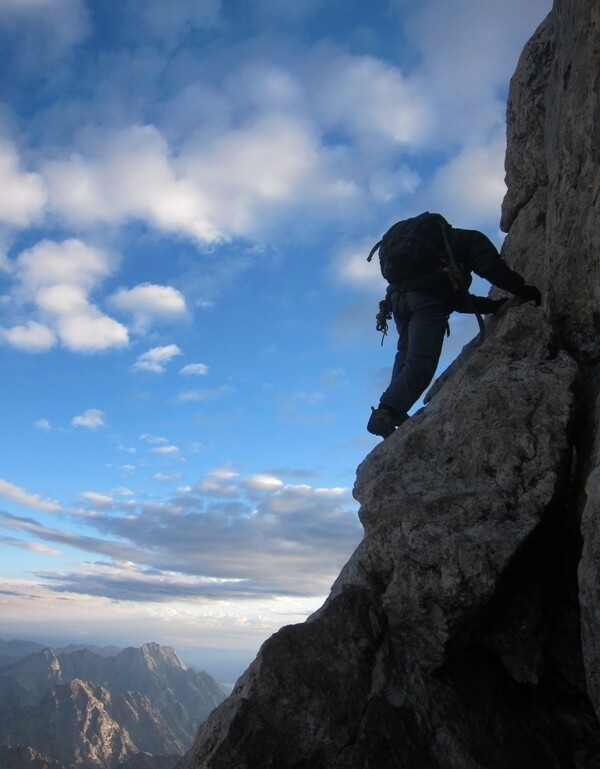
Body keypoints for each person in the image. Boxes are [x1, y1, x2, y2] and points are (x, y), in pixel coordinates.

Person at [366, 223, 542, 439]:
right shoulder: (472, 241)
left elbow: (453, 295)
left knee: (405, 355)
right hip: (424, 300)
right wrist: (523, 290)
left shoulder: (434, 253)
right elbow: (493, 270)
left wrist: (490, 306)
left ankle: (394, 410)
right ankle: (387, 411)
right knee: (421, 363)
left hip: (397, 298)